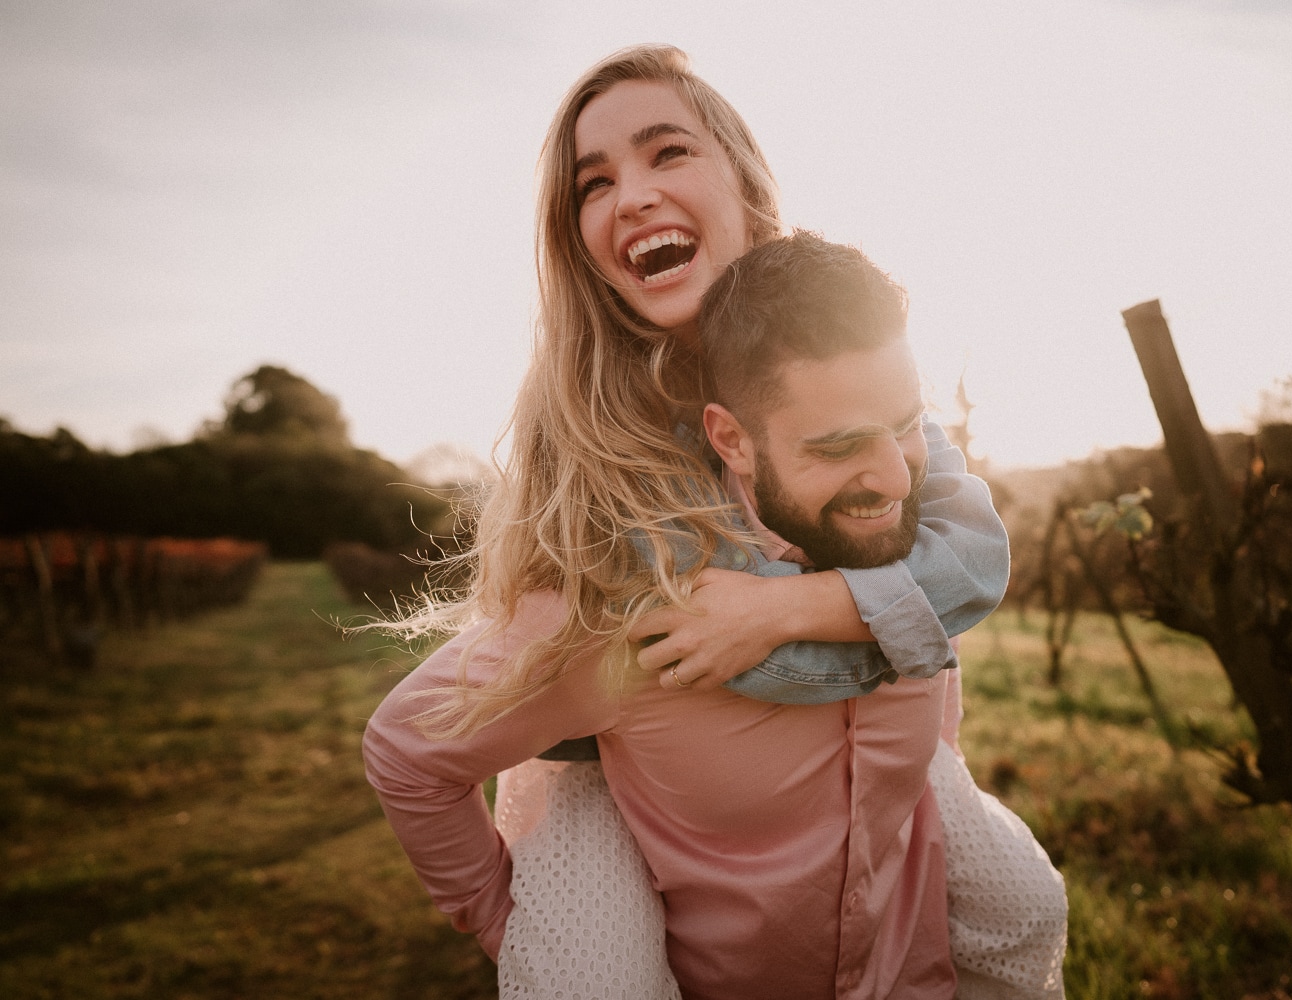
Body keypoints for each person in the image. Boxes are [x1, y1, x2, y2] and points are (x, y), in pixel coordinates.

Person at [362, 44, 1066, 998]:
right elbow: (431, 738)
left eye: (668, 153)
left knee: (1024, 912)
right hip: (646, 820)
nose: (635, 195)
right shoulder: (607, 492)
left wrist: (784, 613)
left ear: (745, 183)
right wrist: (514, 930)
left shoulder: (854, 364)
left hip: (886, 889)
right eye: (595, 183)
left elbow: (970, 558)